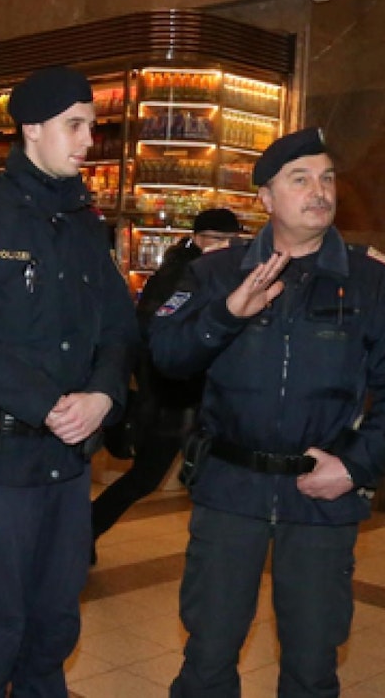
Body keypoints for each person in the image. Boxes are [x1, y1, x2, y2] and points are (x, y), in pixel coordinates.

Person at [150, 127, 385, 697]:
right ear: (266, 198)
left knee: (313, 667)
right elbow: (166, 357)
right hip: (229, 491)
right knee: (208, 658)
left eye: (327, 178)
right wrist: (226, 313)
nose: (320, 191)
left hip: (321, 498)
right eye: (300, 180)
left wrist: (356, 467)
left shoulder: (370, 278)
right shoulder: (220, 272)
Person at [0, 66, 139, 697]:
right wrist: (47, 405)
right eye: (74, 125)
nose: (88, 140)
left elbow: (119, 329)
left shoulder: (85, 225)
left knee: (52, 633)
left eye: (92, 126)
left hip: (68, 468)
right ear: (32, 128)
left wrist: (102, 395)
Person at [91, 207, 241, 563]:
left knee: (187, 479)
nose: (224, 247)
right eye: (217, 240)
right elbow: (153, 336)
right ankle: (84, 529)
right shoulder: (182, 273)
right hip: (172, 400)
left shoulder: (211, 271)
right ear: (198, 237)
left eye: (230, 241)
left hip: (190, 400)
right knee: (145, 477)